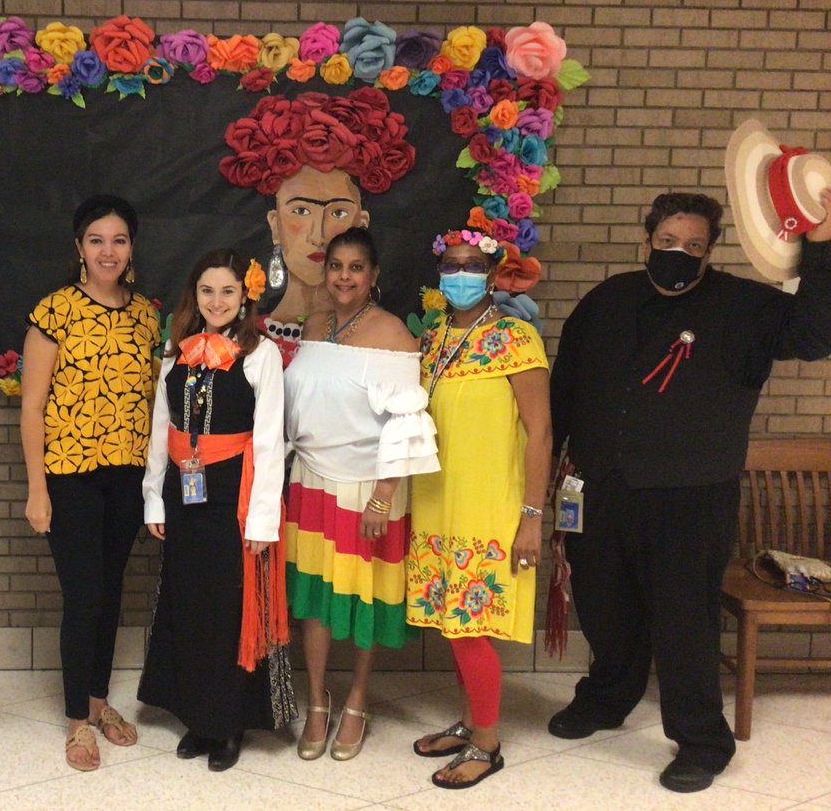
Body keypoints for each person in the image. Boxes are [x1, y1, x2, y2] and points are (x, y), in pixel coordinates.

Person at [548, 191, 831, 793]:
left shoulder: (745, 306)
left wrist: (822, 245)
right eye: (668, 242)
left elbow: (814, 334)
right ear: (647, 240)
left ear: (712, 249)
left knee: (684, 620)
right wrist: (551, 471)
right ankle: (606, 698)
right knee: (602, 603)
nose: (679, 254)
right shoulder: (606, 301)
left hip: (691, 494)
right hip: (601, 486)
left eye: (694, 246)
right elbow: (565, 387)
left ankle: (702, 739)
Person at [284, 226, 439, 761]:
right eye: (336, 266)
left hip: (370, 489)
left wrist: (382, 495)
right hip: (311, 482)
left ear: (373, 276)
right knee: (317, 604)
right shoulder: (314, 323)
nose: (344, 276)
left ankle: (356, 700)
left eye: (356, 267)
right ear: (324, 272)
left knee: (365, 597)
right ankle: (317, 701)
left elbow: (408, 420)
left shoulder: (392, 332)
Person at [138, 249, 296, 772]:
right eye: (207, 291)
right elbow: (161, 429)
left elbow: (271, 441)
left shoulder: (261, 355)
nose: (217, 301)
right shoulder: (175, 352)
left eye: (228, 291)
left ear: (244, 296)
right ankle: (195, 716)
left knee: (229, 607)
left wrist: (261, 521)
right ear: (194, 295)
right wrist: (154, 497)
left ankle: (227, 723)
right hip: (185, 493)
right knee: (189, 602)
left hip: (235, 494)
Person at [405, 228, 551, 789]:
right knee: (454, 622)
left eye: (470, 265)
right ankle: (470, 723)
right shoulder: (435, 336)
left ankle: (487, 745)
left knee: (471, 627)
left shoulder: (516, 337)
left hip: (490, 507)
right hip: (438, 501)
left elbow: (539, 432)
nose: (459, 275)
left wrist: (531, 519)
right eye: (450, 265)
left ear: (492, 275)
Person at [20, 195, 160, 772]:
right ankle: (78, 722)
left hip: (126, 475)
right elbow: (31, 407)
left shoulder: (146, 315)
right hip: (69, 477)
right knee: (83, 597)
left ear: (132, 248)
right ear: (79, 248)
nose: (109, 251)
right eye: (97, 240)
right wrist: (36, 488)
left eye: (119, 240)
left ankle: (101, 703)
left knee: (109, 592)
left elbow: (154, 402)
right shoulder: (54, 312)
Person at [219, 88, 416, 366]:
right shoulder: (249, 335)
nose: (318, 234)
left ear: (361, 223)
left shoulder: (386, 334)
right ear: (275, 225)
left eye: (338, 212)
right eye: (300, 210)